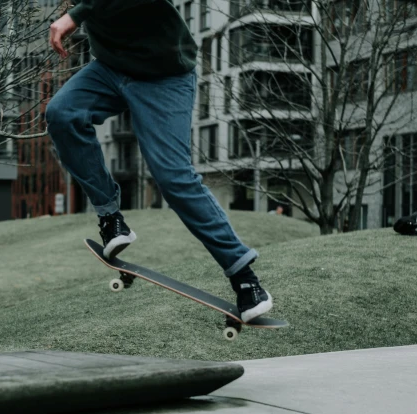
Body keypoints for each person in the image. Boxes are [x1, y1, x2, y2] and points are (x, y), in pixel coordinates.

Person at [46, 0, 272, 322]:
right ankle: (111, 219)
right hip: (110, 69)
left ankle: (245, 279)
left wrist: (76, 15)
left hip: (164, 76)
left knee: (174, 178)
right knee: (62, 114)